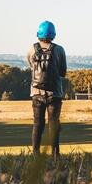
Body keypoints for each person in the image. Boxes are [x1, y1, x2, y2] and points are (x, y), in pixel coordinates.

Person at [27, 20, 67, 158]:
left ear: (38, 33)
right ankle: (55, 155)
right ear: (53, 34)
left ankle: (35, 154)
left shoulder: (32, 49)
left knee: (37, 124)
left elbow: (31, 66)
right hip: (54, 94)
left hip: (36, 93)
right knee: (53, 124)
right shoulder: (59, 49)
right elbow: (63, 72)